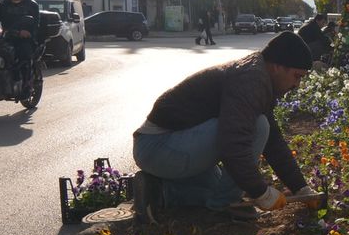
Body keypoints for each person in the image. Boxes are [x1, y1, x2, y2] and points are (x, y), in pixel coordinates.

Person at [132, 31, 318, 222]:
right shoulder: (251, 80)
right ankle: (225, 206)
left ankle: (158, 191)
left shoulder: (258, 75)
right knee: (258, 127)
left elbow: (274, 142)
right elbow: (234, 143)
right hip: (157, 146)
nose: (297, 84)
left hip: (171, 145)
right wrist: (260, 192)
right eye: (297, 76)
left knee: (219, 187)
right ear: (278, 66)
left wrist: (300, 187)